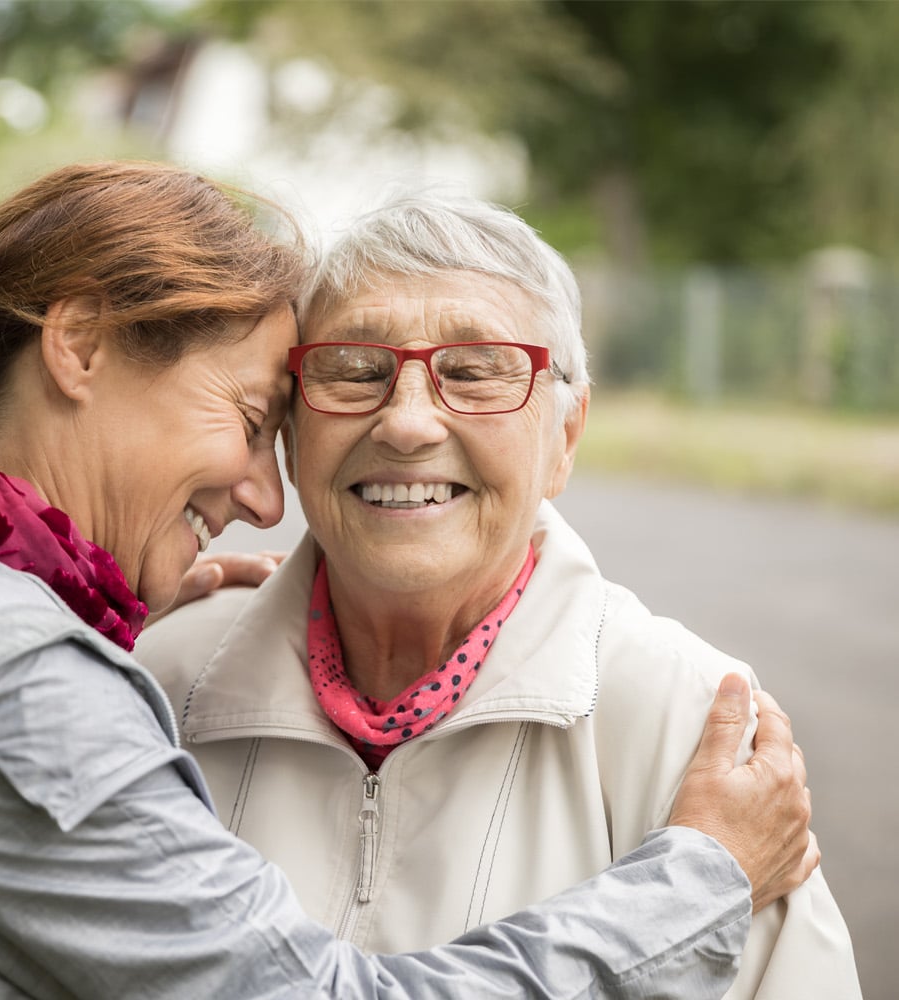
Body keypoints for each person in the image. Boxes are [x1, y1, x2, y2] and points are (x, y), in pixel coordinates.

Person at [0, 162, 815, 1000]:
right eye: (265, 409)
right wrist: (696, 880)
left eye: (479, 372)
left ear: (567, 427)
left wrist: (81, 641)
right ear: (76, 345)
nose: (260, 492)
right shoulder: (33, 693)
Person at [136, 191, 860, 998]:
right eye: (353, 370)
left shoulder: (691, 723)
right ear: (292, 433)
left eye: (476, 374)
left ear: (566, 439)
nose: (406, 424)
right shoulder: (156, 683)